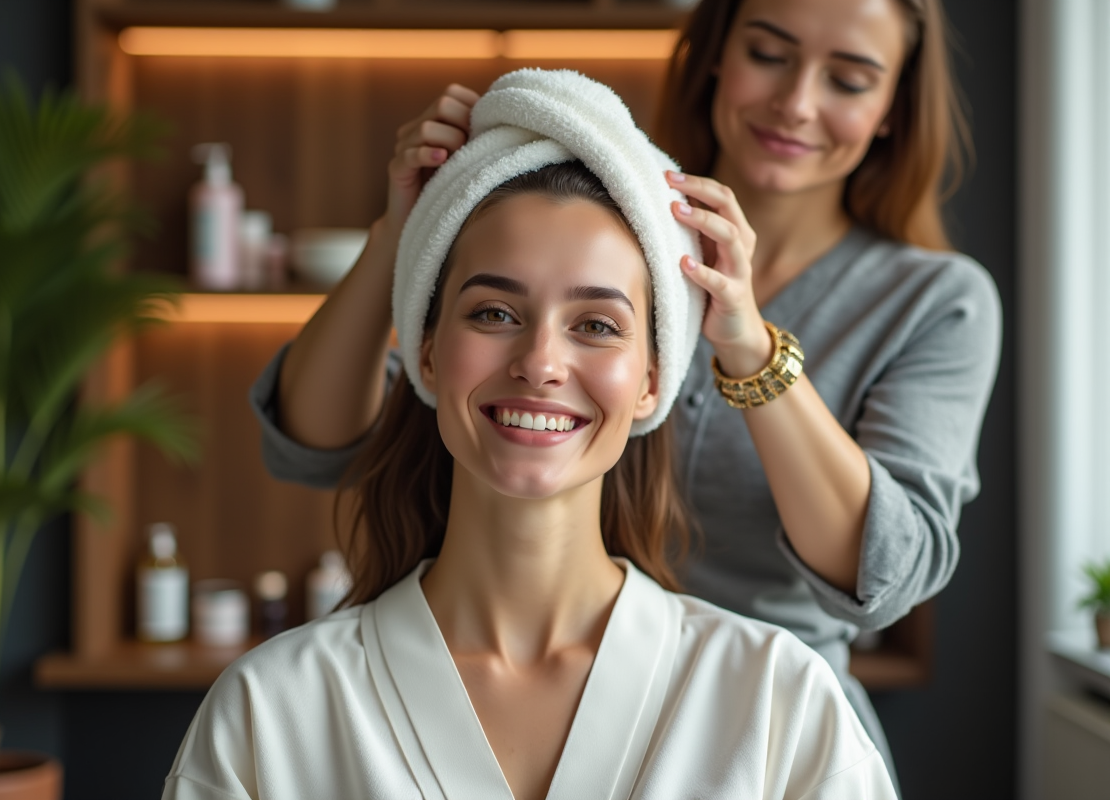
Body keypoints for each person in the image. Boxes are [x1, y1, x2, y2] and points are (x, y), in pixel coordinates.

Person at [254, 0, 1001, 791]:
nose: (797, 103)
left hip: (754, 737)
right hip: (489, 689)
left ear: (892, 108)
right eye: (770, 54)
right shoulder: (596, 203)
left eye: (848, 78)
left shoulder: (934, 300)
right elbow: (311, 446)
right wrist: (405, 233)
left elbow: (885, 574)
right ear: (716, 55)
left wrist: (748, 346)